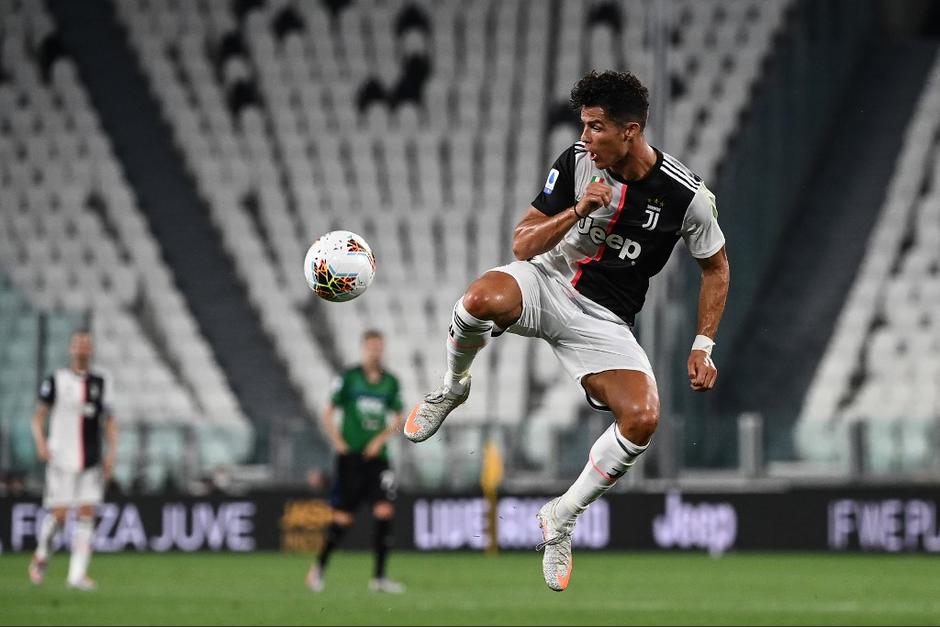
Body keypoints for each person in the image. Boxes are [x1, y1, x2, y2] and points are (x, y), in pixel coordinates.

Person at [404, 70, 730, 591]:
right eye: (583, 125)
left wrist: (703, 344)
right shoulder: (577, 163)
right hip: (547, 283)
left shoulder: (686, 196)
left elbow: (715, 267)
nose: (585, 137)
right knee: (478, 300)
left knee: (642, 418)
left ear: (629, 131)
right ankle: (452, 387)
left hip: (604, 321)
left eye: (596, 127)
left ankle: (561, 516)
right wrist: (579, 210)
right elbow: (522, 243)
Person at [307, 329, 406, 593]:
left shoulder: (391, 382)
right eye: (371, 347)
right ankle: (319, 568)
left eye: (379, 347)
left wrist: (380, 440)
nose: (375, 351)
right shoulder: (349, 378)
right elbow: (328, 413)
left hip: (377, 460)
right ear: (363, 349)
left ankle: (380, 578)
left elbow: (399, 417)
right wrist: (338, 443)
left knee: (384, 511)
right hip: (350, 459)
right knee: (342, 519)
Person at [28, 330, 117, 590]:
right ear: (71, 348)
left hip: (91, 458)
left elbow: (110, 421)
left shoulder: (101, 382)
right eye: (78, 344)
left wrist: (112, 453)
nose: (82, 348)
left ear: (91, 349)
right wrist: (41, 443)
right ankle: (41, 555)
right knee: (60, 513)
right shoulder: (56, 380)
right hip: (61, 458)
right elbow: (38, 417)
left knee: (88, 512)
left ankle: (77, 574)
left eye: (86, 344)